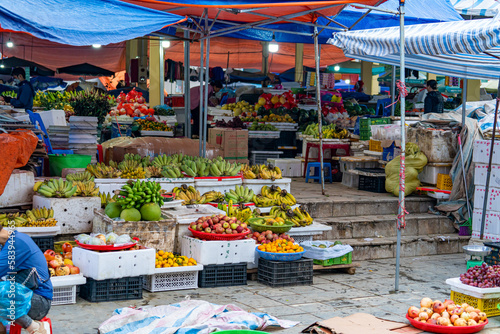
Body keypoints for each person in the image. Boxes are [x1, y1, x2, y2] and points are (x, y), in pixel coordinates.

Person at [0, 227, 52, 334]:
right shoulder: (10, 241)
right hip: (23, 297)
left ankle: (36, 327)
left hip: (39, 302)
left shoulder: (16, 243)